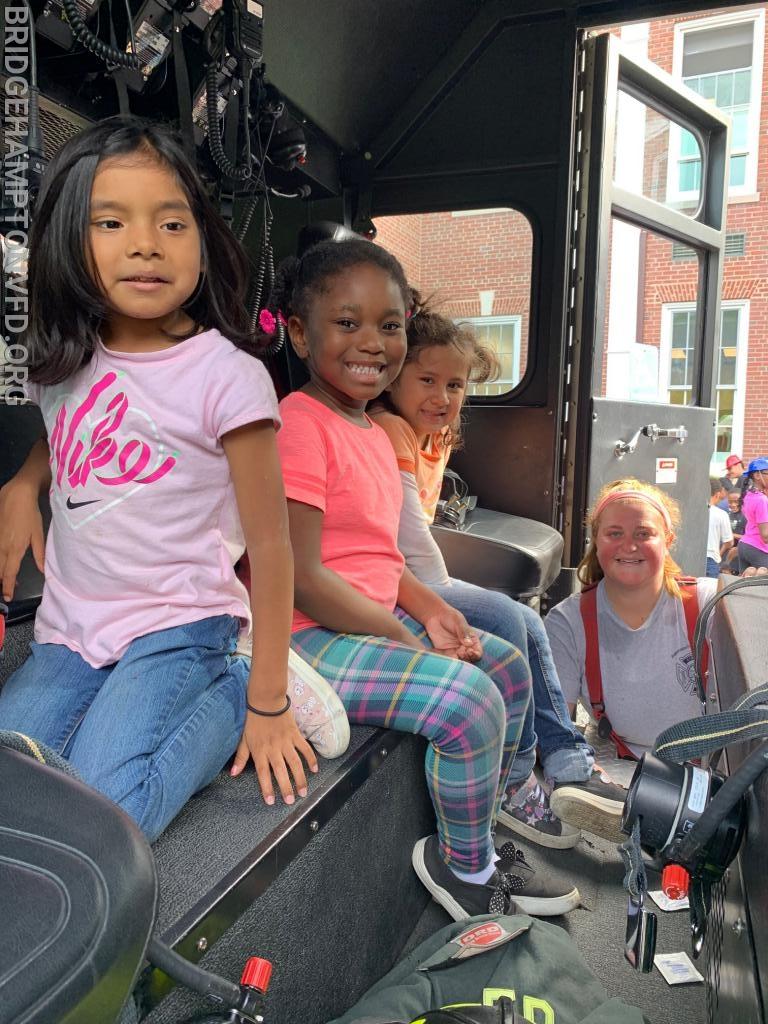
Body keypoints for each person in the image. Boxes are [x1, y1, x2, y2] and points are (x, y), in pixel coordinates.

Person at [0, 116, 322, 842]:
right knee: (13, 788)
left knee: (105, 814)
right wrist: (24, 482)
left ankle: (238, 683)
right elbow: (68, 430)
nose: (146, 243)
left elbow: (271, 550)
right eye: (111, 222)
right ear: (66, 245)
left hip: (180, 622)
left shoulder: (228, 379)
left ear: (202, 243)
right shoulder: (62, 360)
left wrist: (269, 703)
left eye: (172, 224)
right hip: (71, 629)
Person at [265, 237, 581, 920]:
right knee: (468, 699)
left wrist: (431, 610)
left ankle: (484, 830)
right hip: (307, 638)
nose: (371, 342)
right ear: (298, 330)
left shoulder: (376, 435)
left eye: (389, 325)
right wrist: (403, 638)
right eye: (346, 324)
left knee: (505, 663)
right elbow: (300, 577)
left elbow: (383, 559)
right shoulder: (299, 423)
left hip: (370, 617)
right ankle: (464, 871)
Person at [369, 299, 624, 851]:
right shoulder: (389, 430)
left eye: (456, 386)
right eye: (427, 380)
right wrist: (443, 602)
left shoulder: (427, 436)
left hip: (412, 571)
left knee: (522, 622)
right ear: (393, 380)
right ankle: (520, 782)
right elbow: (409, 538)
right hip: (393, 581)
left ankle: (565, 761)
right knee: (512, 618)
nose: (443, 397)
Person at [543, 479, 717, 842]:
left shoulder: (708, 604)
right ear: (596, 540)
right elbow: (557, 726)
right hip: (625, 772)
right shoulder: (568, 621)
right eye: (614, 533)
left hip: (716, 773)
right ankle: (635, 819)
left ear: (668, 540)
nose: (629, 546)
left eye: (644, 533)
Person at [737, 457, 768, 572]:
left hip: (744, 546)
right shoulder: (762, 500)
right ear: (757, 475)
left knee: (745, 588)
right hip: (758, 548)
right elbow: (765, 536)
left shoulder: (749, 495)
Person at [706, 478, 733, 578]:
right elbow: (729, 542)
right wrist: (720, 553)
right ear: (717, 494)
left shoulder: (691, 510)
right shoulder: (721, 514)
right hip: (711, 560)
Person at [724, 489, 747, 573]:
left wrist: (732, 535)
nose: (733, 505)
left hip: (737, 558)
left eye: (736, 502)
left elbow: (750, 538)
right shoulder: (726, 514)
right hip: (723, 554)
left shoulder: (746, 515)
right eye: (730, 502)